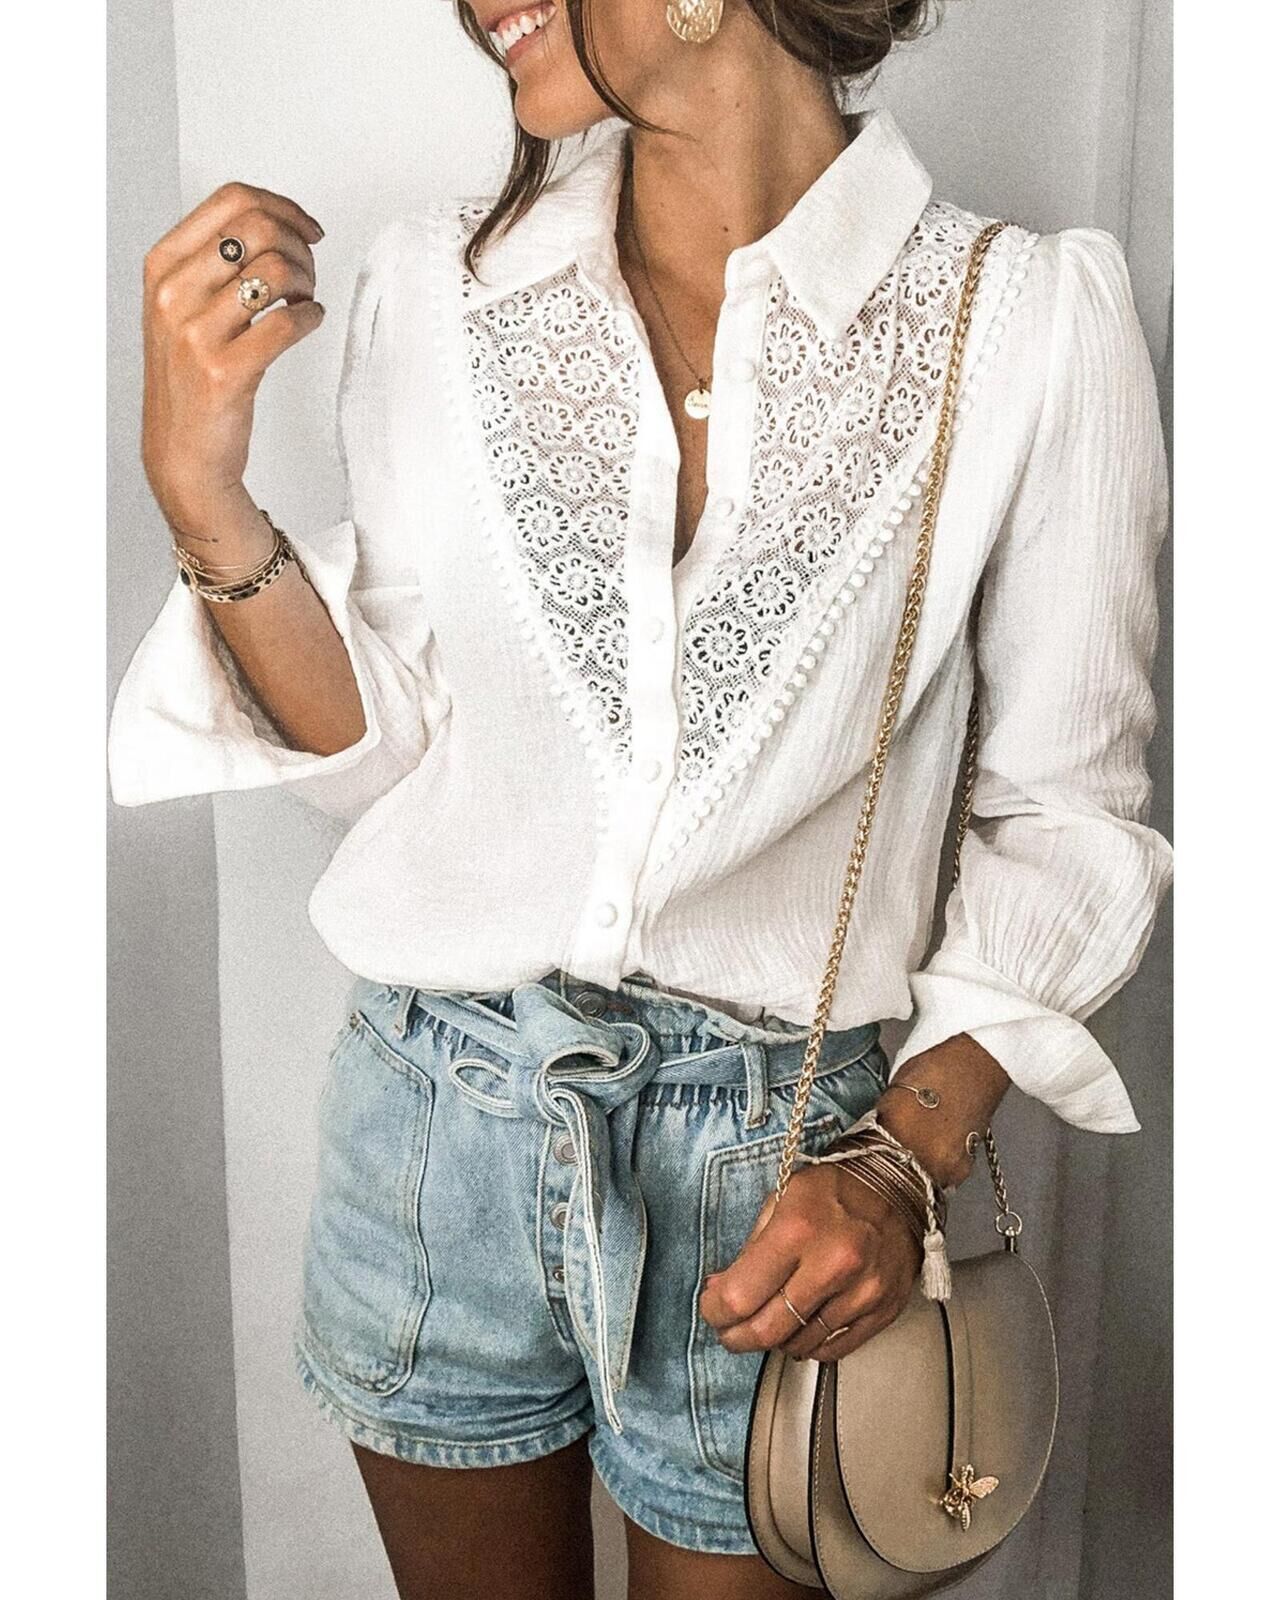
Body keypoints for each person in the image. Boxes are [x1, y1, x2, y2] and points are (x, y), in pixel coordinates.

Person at [108, 3, 1173, 1596]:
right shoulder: (437, 284)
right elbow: (397, 759)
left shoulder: (1022, 321)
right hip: (436, 1124)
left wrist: (904, 1156)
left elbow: (1065, 812)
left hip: (785, 1171)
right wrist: (199, 491)